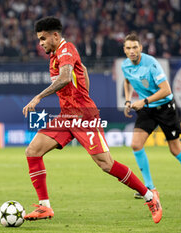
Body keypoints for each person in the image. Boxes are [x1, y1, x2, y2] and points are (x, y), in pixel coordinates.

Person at [22, 17, 162, 224]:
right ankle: (44, 206)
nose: (41, 43)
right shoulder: (54, 57)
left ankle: (150, 197)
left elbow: (65, 78)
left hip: (84, 117)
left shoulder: (66, 50)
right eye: (39, 39)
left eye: (43, 38)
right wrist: (82, 94)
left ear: (55, 35)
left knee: (106, 164)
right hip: (66, 117)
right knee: (32, 151)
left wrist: (39, 97)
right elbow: (84, 71)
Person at [121, 33, 181, 199]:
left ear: (141, 48)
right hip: (147, 109)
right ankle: (149, 188)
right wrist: (128, 100)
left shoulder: (151, 63)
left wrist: (143, 101)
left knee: (175, 149)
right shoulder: (125, 65)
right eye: (128, 48)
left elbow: (166, 90)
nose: (132, 51)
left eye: (135, 47)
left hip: (165, 108)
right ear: (124, 50)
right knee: (136, 145)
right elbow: (127, 80)